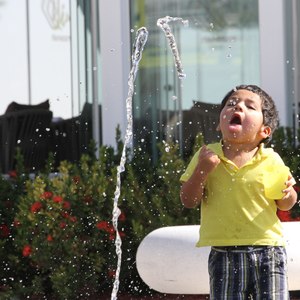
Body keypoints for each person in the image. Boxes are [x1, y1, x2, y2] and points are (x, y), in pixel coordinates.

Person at [180, 85, 298, 299]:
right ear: (219, 124)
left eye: (250, 106)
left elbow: (285, 203)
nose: (238, 107)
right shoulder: (206, 155)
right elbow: (188, 200)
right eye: (231, 104)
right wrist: (202, 171)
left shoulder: (271, 159)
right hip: (224, 253)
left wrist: (288, 193)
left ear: (265, 131)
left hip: (268, 250)